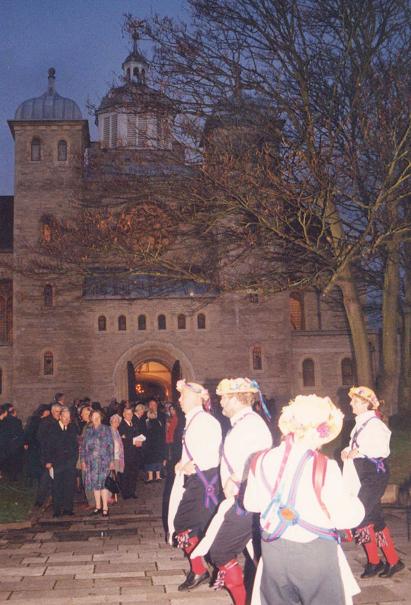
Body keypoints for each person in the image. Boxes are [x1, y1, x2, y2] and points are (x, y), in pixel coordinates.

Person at [244, 394, 365, 605]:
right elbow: (346, 518)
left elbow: (251, 504)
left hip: (274, 552)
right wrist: (356, 500)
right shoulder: (325, 466)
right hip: (315, 554)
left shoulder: (260, 459)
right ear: (318, 432)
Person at [191, 378, 273, 605]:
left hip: (247, 498)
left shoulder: (251, 424)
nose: (220, 402)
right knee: (257, 556)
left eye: (224, 398)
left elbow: (260, 458)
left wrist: (237, 478)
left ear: (237, 399)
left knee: (220, 552)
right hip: (241, 496)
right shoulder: (243, 423)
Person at [341, 386, 405, 578]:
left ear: (364, 403)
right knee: (374, 518)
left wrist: (358, 452)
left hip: (374, 475)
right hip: (364, 474)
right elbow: (357, 444)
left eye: (354, 400)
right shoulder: (361, 423)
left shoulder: (375, 424)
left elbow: (381, 449)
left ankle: (375, 562)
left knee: (362, 515)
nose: (351, 403)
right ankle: (393, 561)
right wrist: (347, 450)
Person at [168, 379, 222, 592]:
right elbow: (194, 448)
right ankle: (201, 568)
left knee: (185, 524)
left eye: (183, 396)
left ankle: (210, 567)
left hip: (204, 480)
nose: (179, 399)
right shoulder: (192, 419)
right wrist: (182, 463)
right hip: (196, 479)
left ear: (197, 398)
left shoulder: (206, 421)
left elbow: (213, 452)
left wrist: (195, 464)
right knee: (190, 526)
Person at [44, 406, 78, 517]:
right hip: (57, 462)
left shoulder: (72, 428)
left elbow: (75, 445)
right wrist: (48, 461)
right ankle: (57, 510)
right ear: (60, 417)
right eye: (65, 417)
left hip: (69, 463)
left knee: (69, 485)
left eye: (69, 417)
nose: (67, 419)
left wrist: (74, 460)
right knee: (57, 486)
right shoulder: (52, 428)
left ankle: (68, 508)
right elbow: (47, 446)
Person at [80, 409, 114, 517]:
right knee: (95, 484)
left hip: (104, 461)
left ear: (101, 418)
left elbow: (111, 445)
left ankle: (105, 507)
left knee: (103, 484)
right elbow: (83, 447)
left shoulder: (106, 429)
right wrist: (83, 460)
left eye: (98, 417)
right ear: (90, 418)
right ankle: (98, 506)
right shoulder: (88, 431)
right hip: (91, 462)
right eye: (94, 417)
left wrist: (112, 460)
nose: (96, 419)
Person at [35, 403, 62, 506]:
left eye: (60, 412)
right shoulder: (46, 422)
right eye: (56, 412)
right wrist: (47, 459)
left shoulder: (58, 421)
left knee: (55, 477)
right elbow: (42, 441)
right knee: (46, 477)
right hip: (48, 456)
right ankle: (40, 500)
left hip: (57, 455)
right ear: (52, 411)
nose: (58, 414)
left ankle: (55, 498)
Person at [24, 404, 50, 486]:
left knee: (36, 462)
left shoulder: (44, 420)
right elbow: (29, 432)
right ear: (44, 411)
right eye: (48, 411)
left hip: (38, 444)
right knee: (33, 462)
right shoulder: (36, 420)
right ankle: (31, 479)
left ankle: (35, 479)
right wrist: (26, 442)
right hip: (34, 444)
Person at [118, 407, 141, 499]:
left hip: (135, 453)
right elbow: (122, 440)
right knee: (125, 474)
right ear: (124, 415)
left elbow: (137, 435)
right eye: (127, 414)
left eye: (131, 414)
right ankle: (125, 493)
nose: (130, 416)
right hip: (126, 454)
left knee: (134, 473)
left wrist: (140, 441)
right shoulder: (121, 426)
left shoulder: (134, 424)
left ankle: (132, 491)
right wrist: (132, 441)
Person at [144, 404, 166, 483]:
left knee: (153, 460)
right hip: (154, 444)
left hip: (152, 444)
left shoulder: (149, 422)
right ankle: (155, 476)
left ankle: (154, 476)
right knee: (154, 460)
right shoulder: (152, 422)